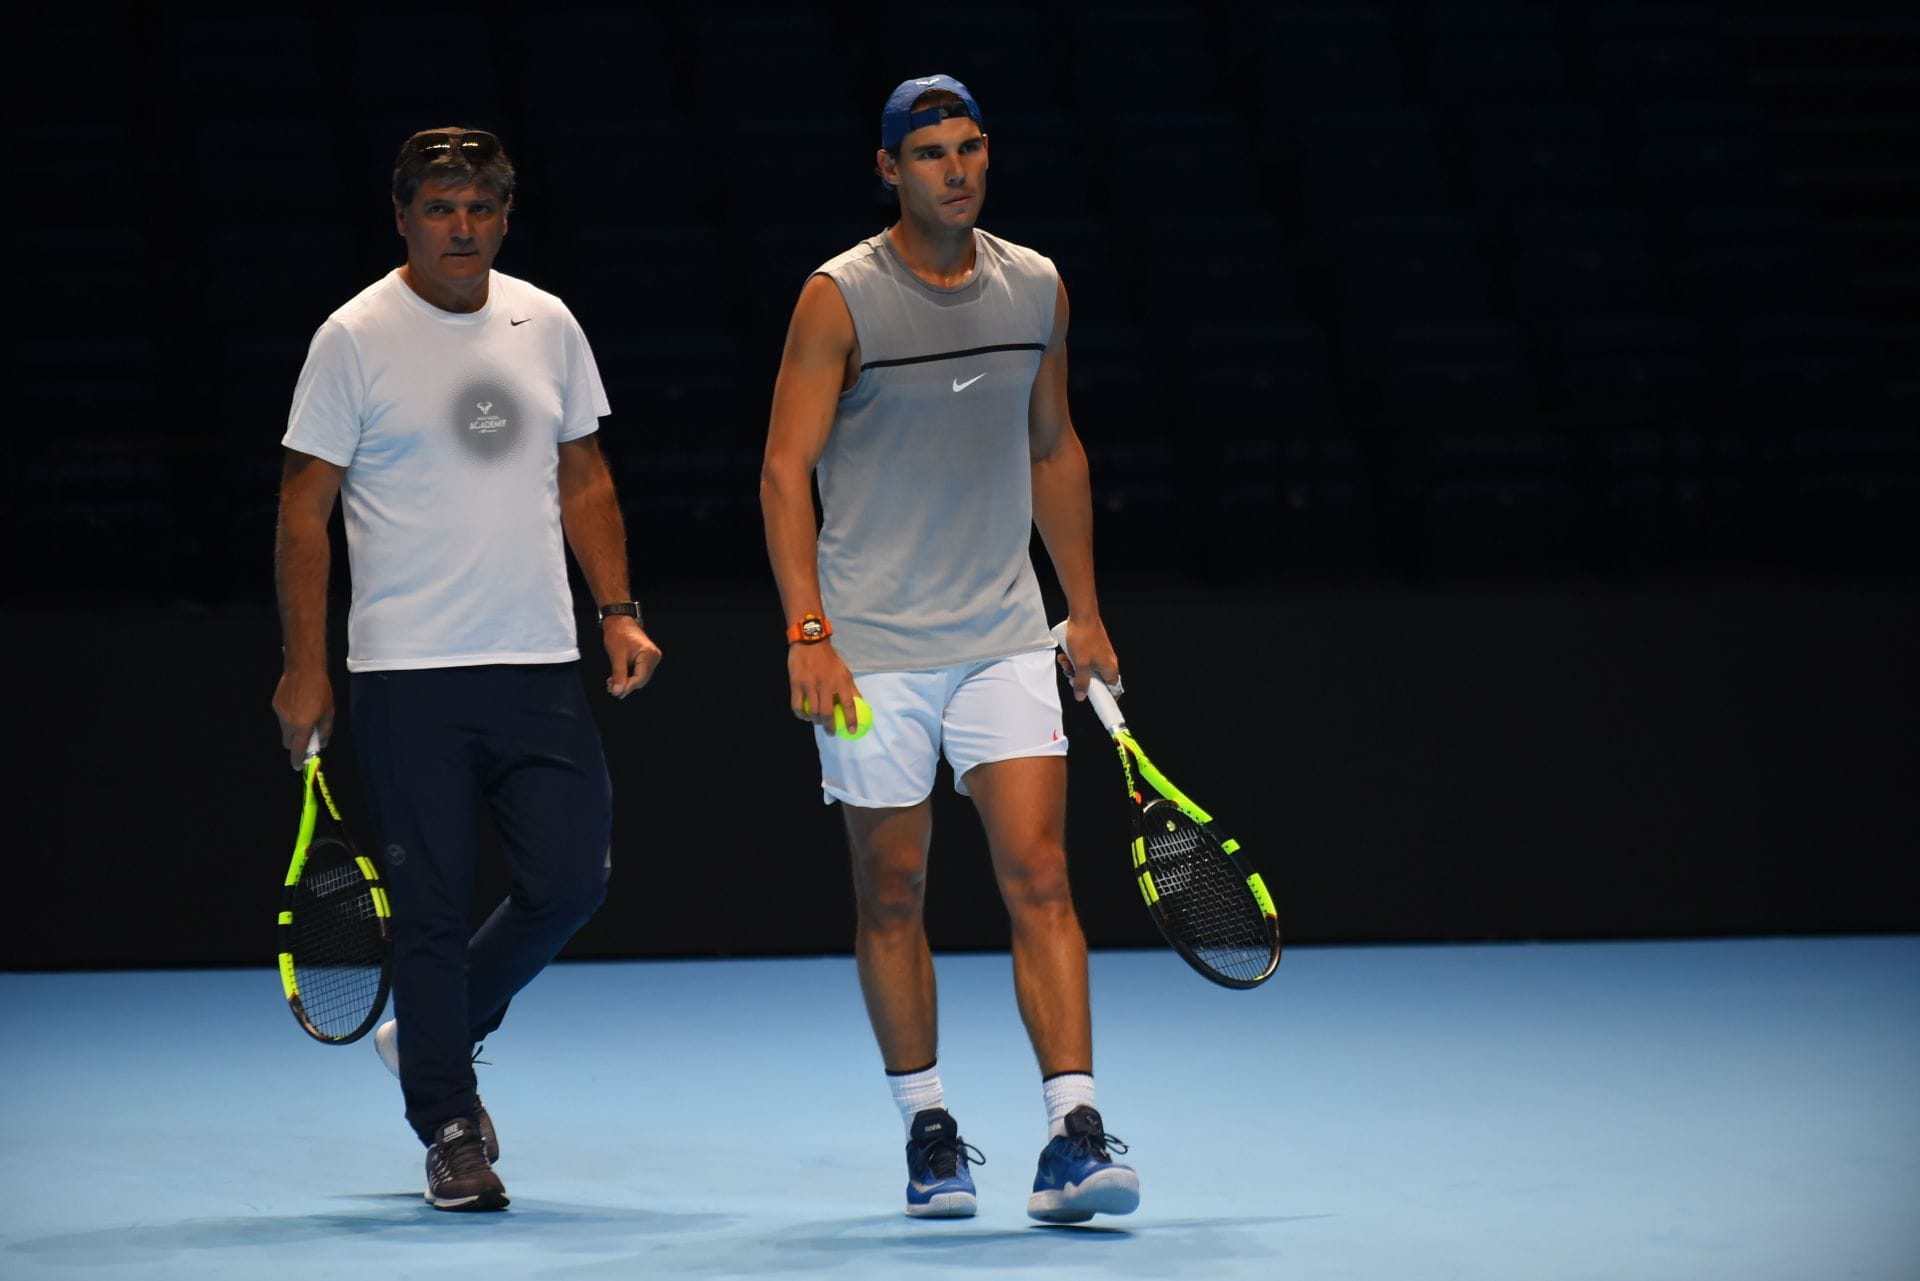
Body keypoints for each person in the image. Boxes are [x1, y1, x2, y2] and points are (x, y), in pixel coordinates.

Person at [759, 75, 1139, 1223]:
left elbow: (1054, 448)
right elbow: (784, 472)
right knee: (894, 889)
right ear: (889, 169)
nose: (956, 169)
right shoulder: (838, 300)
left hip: (1004, 638)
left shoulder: (1038, 286)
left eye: (971, 148)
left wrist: (1085, 608)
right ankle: (929, 1129)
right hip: (870, 651)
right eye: (930, 153)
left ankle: (1073, 1131)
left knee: (1042, 874)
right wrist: (809, 631)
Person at [271, 126, 661, 1212]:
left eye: (480, 207)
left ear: (502, 217)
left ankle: (434, 1032)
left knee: (571, 882)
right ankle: (447, 1123)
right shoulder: (352, 337)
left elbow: (584, 478)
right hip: (407, 677)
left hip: (537, 662)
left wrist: (617, 612)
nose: (461, 226)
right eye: (440, 207)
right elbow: (304, 509)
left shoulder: (549, 323)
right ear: (403, 218)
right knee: (433, 912)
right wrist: (306, 668)